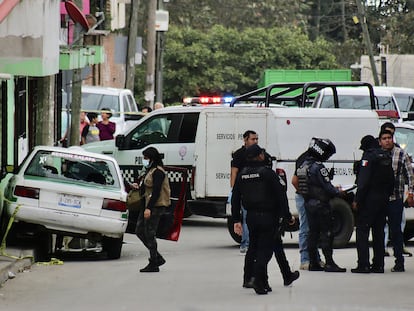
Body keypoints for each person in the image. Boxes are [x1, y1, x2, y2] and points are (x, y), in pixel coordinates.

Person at [231, 144, 298, 295]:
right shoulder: (268, 173)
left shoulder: (242, 174)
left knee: (253, 248)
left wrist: (236, 219)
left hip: (251, 217)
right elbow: (281, 197)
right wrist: (287, 216)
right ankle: (256, 278)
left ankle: (254, 279)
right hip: (268, 217)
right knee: (265, 251)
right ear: (259, 156)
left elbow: (235, 198)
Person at [297, 137, 346, 272]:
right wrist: (340, 193)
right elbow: (328, 188)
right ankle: (329, 263)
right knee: (327, 233)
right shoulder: (318, 167)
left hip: (309, 204)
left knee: (313, 233)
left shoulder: (303, 165)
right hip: (321, 205)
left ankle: (313, 263)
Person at [351, 134, 394, 273]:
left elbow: (363, 182)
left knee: (362, 231)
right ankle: (379, 265)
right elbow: (391, 180)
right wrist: (386, 196)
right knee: (379, 232)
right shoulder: (386, 156)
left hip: (369, 200)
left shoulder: (368, 157)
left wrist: (357, 200)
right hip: (383, 200)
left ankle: (363, 264)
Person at [379, 129, 414, 272]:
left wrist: (410, 193)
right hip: (380, 199)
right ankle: (378, 262)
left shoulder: (401, 154)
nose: (387, 140)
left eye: (389, 138)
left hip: (395, 198)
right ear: (380, 140)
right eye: (384, 138)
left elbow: (410, 176)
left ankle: (399, 261)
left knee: (396, 231)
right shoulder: (377, 154)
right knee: (379, 230)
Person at [134, 147, 171, 272]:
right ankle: (157, 257)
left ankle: (154, 262)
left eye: (146, 158)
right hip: (146, 204)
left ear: (152, 158)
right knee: (139, 231)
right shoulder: (149, 170)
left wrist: (149, 208)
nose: (144, 160)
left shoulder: (158, 172)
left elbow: (156, 192)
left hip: (155, 206)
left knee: (150, 233)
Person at [291, 149, 322, 270]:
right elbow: (295, 181)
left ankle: (315, 258)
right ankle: (305, 259)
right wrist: (306, 194)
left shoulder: (305, 158)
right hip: (304, 197)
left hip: (305, 196)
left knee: (312, 229)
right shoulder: (306, 160)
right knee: (306, 228)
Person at [230, 130, 258, 254]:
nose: (255, 141)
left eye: (257, 139)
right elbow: (234, 172)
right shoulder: (239, 154)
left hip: (257, 191)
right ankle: (245, 244)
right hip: (244, 191)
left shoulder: (259, 153)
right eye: (253, 139)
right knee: (246, 218)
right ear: (245, 140)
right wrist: (234, 190)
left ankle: (255, 243)